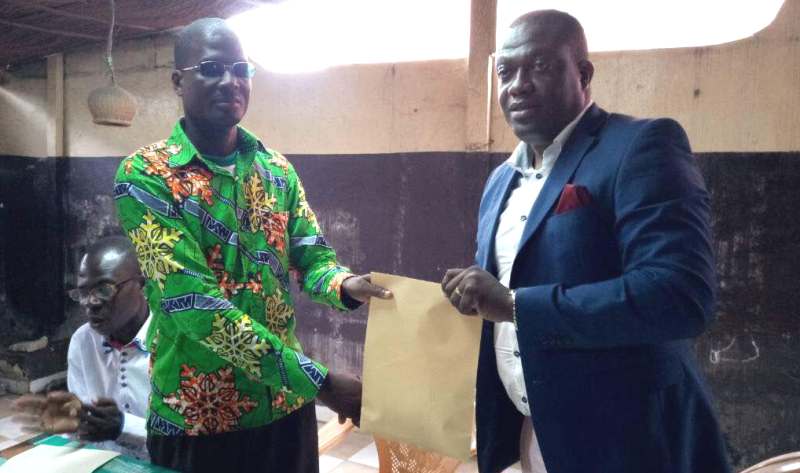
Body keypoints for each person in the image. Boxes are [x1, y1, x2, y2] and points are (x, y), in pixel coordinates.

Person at [441, 10, 731, 473]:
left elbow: (680, 295)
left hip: (627, 442)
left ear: (584, 73)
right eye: (506, 71)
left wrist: (516, 305)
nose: (518, 85)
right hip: (533, 432)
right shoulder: (499, 181)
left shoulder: (639, 146)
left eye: (540, 66)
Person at [113, 17, 391, 473]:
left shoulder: (276, 170)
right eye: (211, 68)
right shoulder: (146, 176)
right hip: (199, 420)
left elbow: (312, 257)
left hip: (284, 408)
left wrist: (344, 285)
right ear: (178, 81)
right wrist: (321, 383)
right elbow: (196, 307)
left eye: (241, 68)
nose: (231, 80)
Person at [14, 236, 151, 460]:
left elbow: (189, 442)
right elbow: (89, 428)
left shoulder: (176, 344)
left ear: (142, 285)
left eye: (104, 289)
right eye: (83, 293)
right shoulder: (83, 341)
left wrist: (124, 426)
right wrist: (76, 423)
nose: (90, 303)